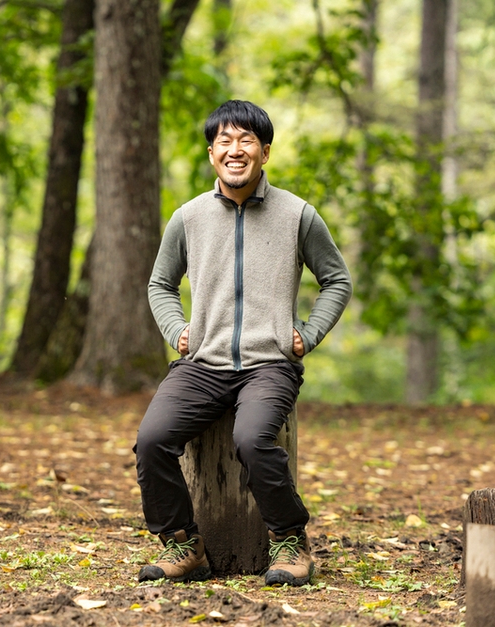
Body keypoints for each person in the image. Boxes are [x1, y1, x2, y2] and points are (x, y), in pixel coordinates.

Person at [135, 100, 352, 585]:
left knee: (252, 440)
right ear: (212, 153)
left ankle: (291, 543)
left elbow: (337, 280)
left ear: (265, 152)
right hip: (202, 363)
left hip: (269, 365)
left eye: (246, 140)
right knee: (151, 440)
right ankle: (182, 545)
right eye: (225, 142)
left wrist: (309, 334)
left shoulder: (298, 214)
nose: (236, 150)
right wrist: (177, 330)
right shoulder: (188, 218)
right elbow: (159, 285)